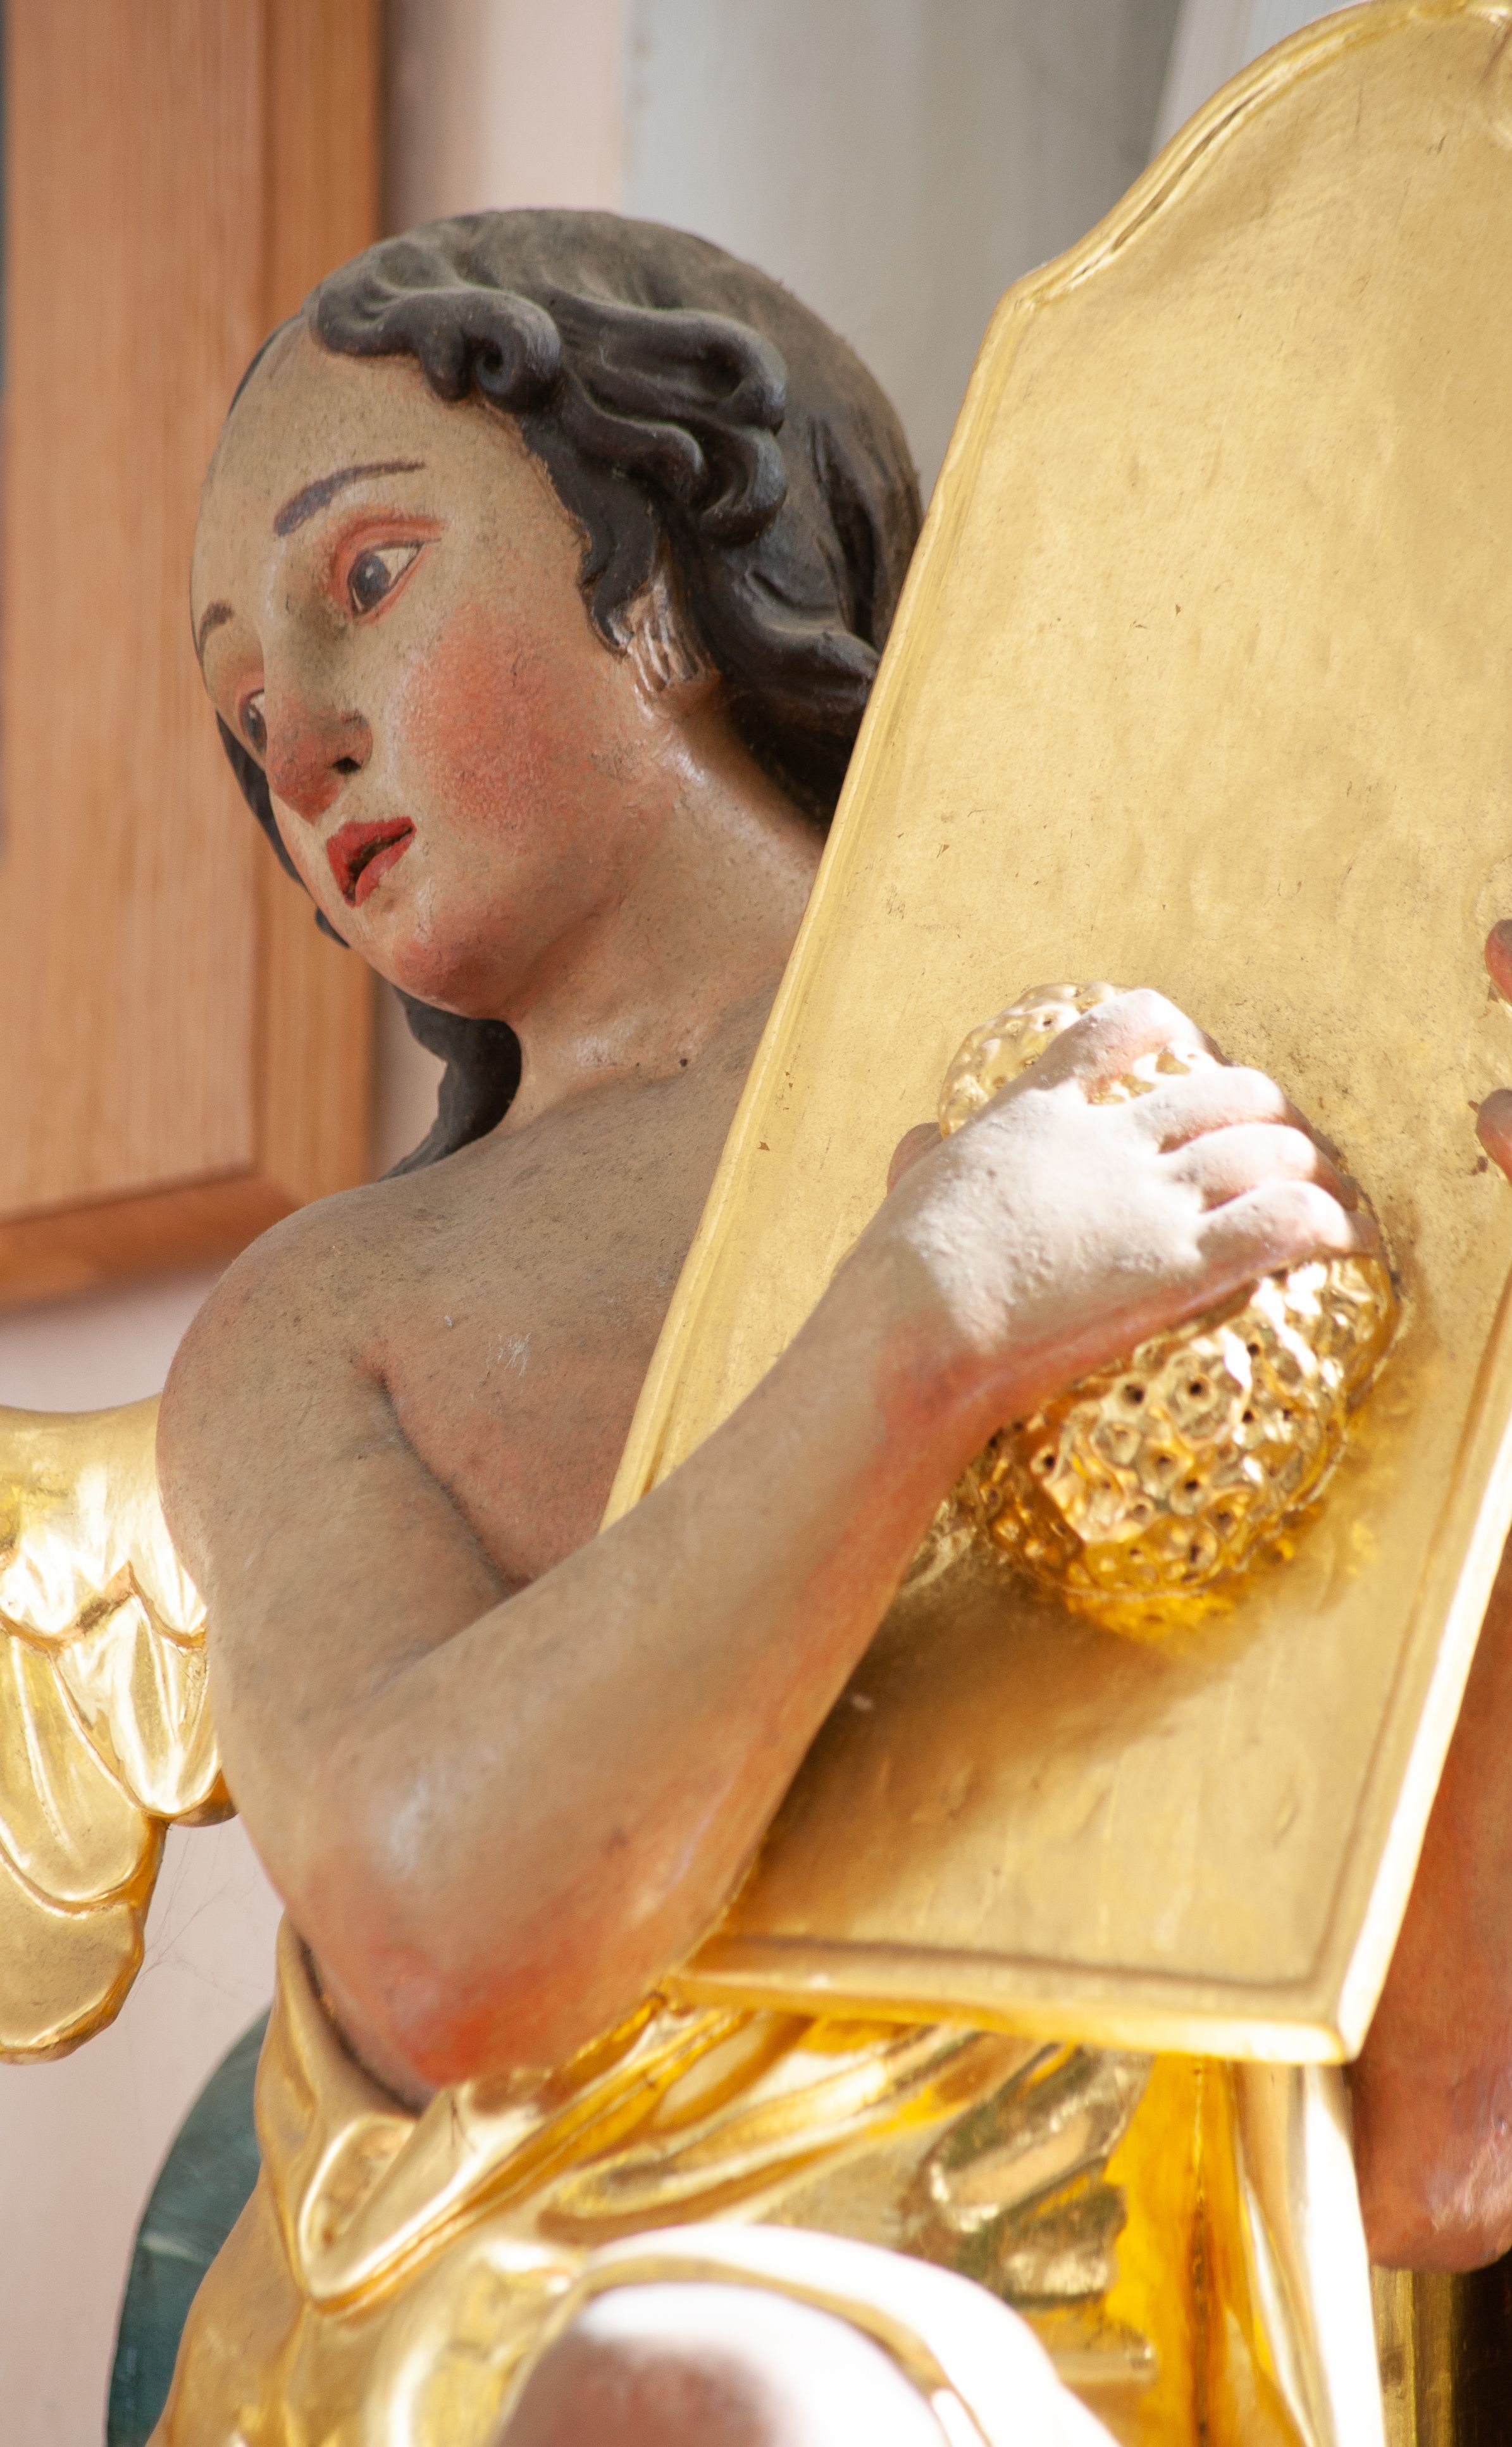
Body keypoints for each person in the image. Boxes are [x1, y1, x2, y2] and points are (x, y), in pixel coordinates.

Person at [159, 208, 1512, 2443]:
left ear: (675, 558)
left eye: (367, 578)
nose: (295, 741)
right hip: (546, 2329)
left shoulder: (1192, 1093)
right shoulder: (328, 1321)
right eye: (239, 716)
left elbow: (1441, 2143)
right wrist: (927, 1320)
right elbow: (429, 1935)